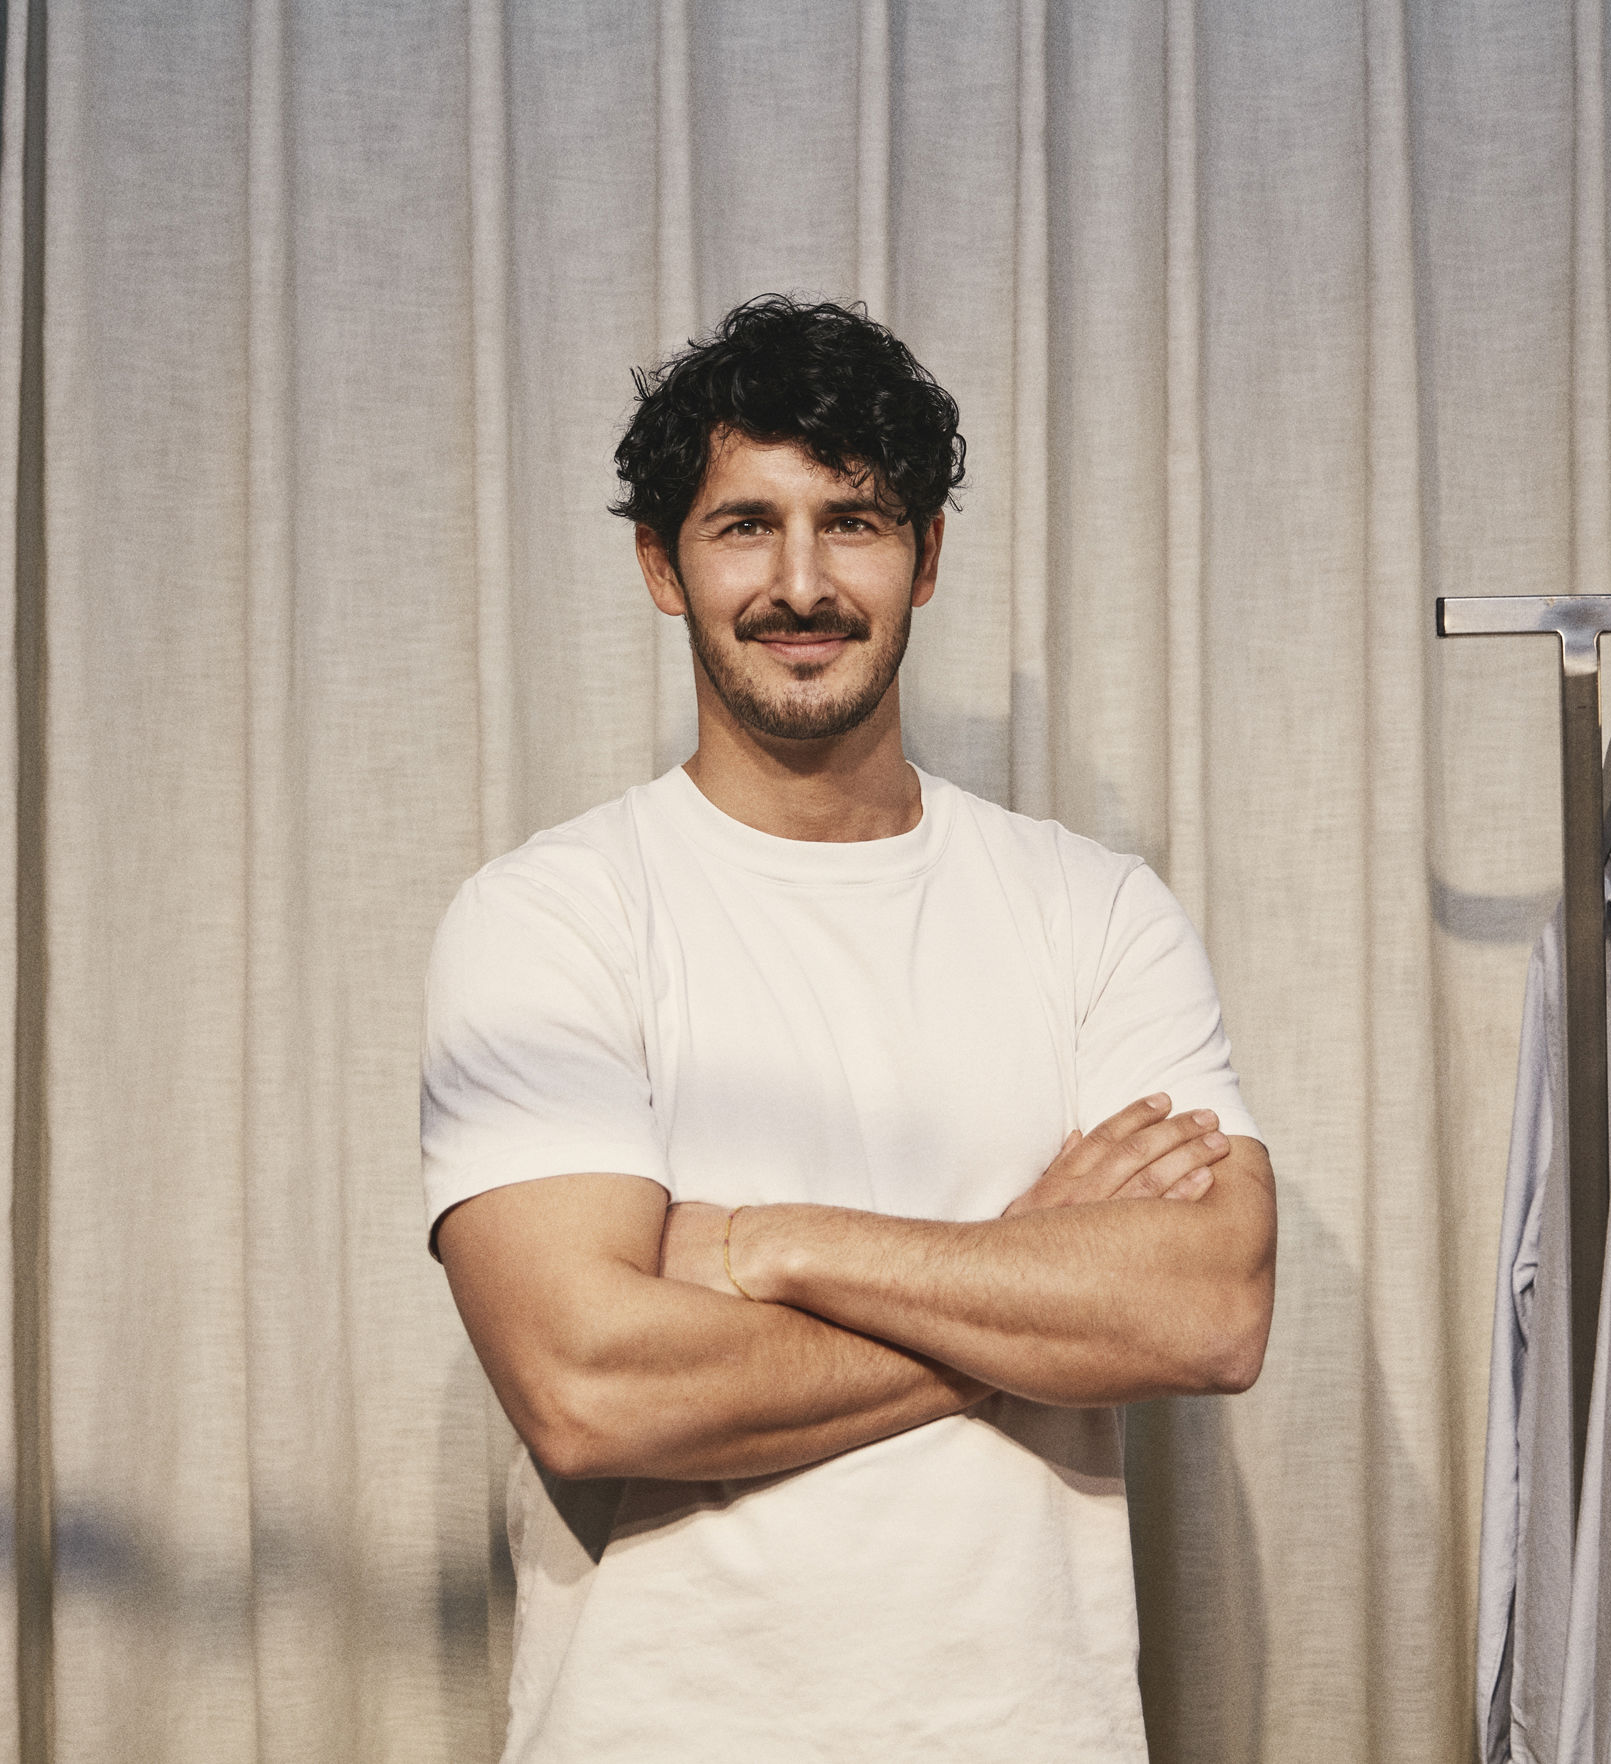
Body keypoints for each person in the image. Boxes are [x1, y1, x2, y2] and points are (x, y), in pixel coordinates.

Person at [421, 294, 1277, 1763]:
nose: (801, 583)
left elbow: (1206, 1310)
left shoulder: (1093, 911)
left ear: (925, 556)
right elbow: (587, 1387)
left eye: (855, 522)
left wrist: (770, 1244)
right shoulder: (550, 917)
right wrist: (1022, 1282)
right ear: (661, 565)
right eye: (746, 525)